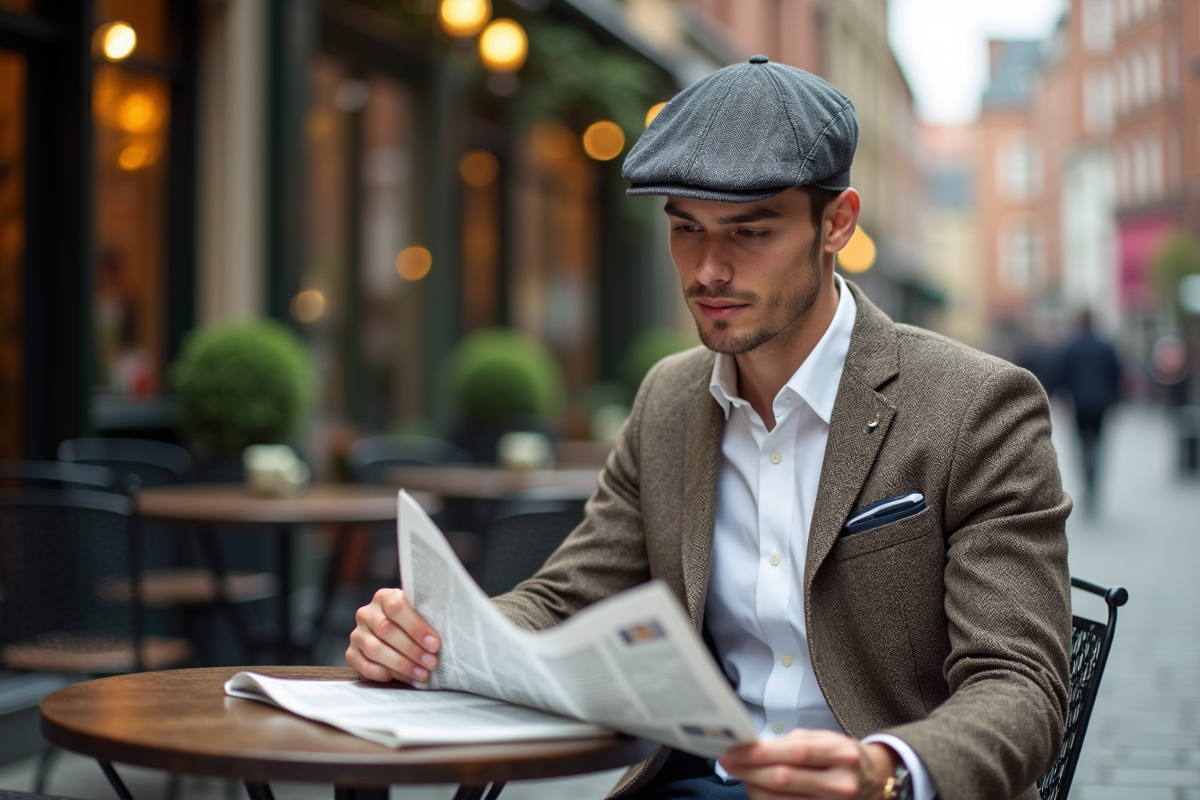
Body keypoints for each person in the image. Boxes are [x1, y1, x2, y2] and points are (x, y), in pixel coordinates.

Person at [348, 58, 1071, 800]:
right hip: (694, 783)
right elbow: (567, 599)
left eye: (749, 232)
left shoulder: (977, 406)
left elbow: (1020, 685)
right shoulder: (669, 398)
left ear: (838, 224)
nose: (709, 270)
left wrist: (883, 769)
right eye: (686, 230)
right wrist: (433, 637)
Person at [1059, 310, 1122, 508]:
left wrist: (1064, 400)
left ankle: (1086, 483)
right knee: (1099, 446)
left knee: (1080, 447)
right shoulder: (1106, 346)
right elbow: (1117, 375)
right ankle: (1094, 484)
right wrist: (1115, 402)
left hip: (1079, 404)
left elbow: (1063, 376)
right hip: (1101, 404)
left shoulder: (1071, 347)